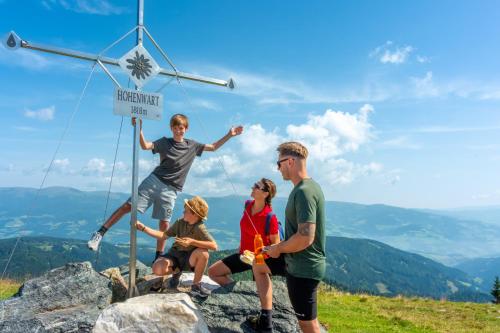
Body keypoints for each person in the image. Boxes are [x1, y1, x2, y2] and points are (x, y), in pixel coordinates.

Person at [87, 113, 243, 263]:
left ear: (186, 129)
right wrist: (139, 128)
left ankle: (158, 257)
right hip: (154, 181)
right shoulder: (164, 142)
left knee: (164, 224)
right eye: (175, 127)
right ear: (171, 128)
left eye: (181, 127)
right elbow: (145, 145)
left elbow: (214, 147)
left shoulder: (192, 145)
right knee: (128, 206)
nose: (178, 130)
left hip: (172, 189)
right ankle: (100, 233)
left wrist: (230, 134)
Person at [249, 142, 326, 333]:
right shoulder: (307, 187)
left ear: (290, 161)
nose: (278, 168)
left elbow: (305, 237)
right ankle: (266, 319)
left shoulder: (304, 192)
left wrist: (278, 248)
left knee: (308, 324)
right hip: (295, 261)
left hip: (304, 267)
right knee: (258, 265)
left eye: (279, 163)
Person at [136, 195, 217, 298]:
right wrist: (144, 228)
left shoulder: (200, 228)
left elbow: (214, 246)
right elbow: (163, 235)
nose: (183, 212)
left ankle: (196, 286)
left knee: (204, 253)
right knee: (157, 269)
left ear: (195, 214)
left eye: (186, 211)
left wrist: (192, 242)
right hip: (175, 254)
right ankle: (177, 272)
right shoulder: (180, 223)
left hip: (190, 258)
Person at [208, 178, 280, 286]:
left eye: (256, 186)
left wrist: (262, 255)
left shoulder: (270, 217)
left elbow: (276, 246)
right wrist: (241, 246)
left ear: (265, 194)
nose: (253, 187)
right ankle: (239, 291)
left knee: (260, 294)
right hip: (244, 255)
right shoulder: (247, 205)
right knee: (213, 272)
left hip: (261, 261)